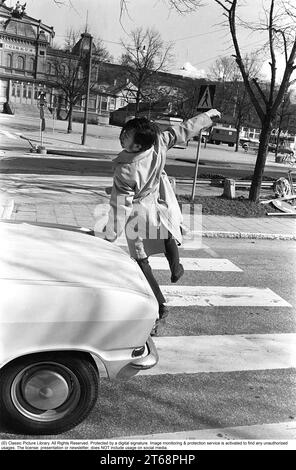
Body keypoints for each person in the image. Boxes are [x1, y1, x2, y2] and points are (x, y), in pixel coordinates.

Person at [103, 109, 221, 334]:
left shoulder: (126, 169)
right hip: (158, 201)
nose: (122, 135)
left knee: (140, 258)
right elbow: (184, 130)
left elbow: (120, 206)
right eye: (125, 131)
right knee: (167, 232)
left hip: (138, 212)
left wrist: (108, 237)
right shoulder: (159, 143)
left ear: (137, 146)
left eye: (126, 135)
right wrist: (207, 117)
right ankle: (176, 267)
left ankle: (160, 305)